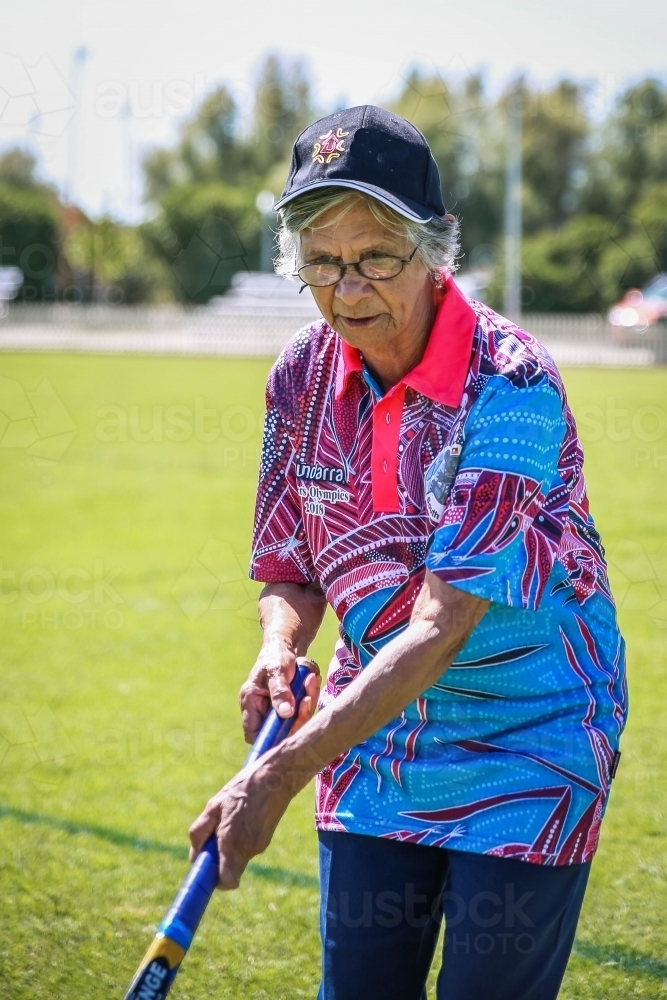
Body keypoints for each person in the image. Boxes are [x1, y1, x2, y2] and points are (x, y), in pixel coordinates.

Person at [189, 105, 627, 1000]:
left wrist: (273, 775)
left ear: (438, 249)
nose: (348, 291)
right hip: (373, 733)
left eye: (376, 259)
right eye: (321, 263)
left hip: (529, 739)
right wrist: (279, 645)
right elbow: (290, 562)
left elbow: (440, 624)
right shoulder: (299, 376)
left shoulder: (510, 384)